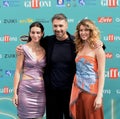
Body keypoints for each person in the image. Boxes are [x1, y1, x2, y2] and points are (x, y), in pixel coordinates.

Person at [16, 14, 103, 119]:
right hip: (52, 93)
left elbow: (93, 46)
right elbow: (34, 42)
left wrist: (100, 43)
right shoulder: (48, 41)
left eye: (61, 26)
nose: (58, 29)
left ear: (66, 25)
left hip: (71, 93)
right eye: (55, 26)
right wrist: (21, 48)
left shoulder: (75, 41)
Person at [70, 19, 106, 119]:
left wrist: (99, 96)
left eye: (86, 30)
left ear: (91, 31)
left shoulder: (98, 48)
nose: (83, 32)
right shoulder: (79, 47)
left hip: (92, 92)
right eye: (81, 30)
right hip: (78, 92)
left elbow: (102, 73)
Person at [12, 21, 46, 119]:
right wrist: (15, 93)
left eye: (38, 32)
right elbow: (18, 71)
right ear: (29, 33)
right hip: (26, 90)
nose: (35, 35)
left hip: (40, 91)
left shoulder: (45, 49)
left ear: (42, 33)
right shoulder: (23, 49)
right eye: (33, 32)